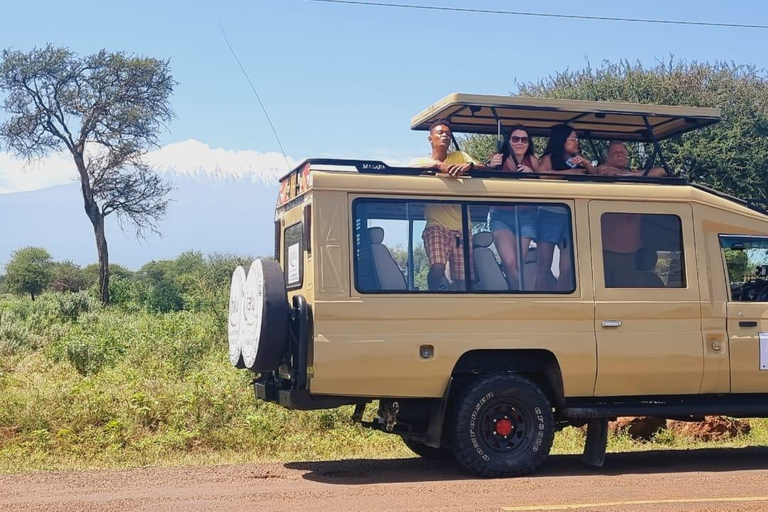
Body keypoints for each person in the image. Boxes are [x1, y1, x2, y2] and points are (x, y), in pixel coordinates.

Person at [410, 119, 485, 290]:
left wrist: (467, 167)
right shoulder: (421, 161)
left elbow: (482, 167)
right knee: (437, 266)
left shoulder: (460, 156)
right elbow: (410, 169)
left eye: (448, 134)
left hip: (462, 228)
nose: (445, 136)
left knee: (464, 280)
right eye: (440, 133)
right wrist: (439, 166)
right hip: (437, 226)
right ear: (430, 139)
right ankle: (433, 295)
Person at [535, 124, 590, 292]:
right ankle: (537, 302)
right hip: (549, 214)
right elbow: (542, 176)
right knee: (544, 264)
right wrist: (569, 173)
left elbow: (596, 174)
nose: (576, 142)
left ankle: (562, 301)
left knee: (567, 267)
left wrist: (586, 163)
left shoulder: (579, 159)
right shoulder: (549, 158)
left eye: (577, 138)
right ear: (562, 140)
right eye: (573, 138)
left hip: (573, 215)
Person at [486, 126, 538, 290]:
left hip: (526, 216)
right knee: (509, 262)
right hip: (501, 215)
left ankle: (516, 294)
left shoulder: (533, 161)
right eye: (515, 139)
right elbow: (482, 171)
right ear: (508, 142)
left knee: (518, 263)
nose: (520, 143)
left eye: (524, 139)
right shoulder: (498, 159)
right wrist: (490, 165)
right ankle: (521, 295)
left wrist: (532, 175)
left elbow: (543, 184)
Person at [597, 142, 666, 177]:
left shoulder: (633, 172)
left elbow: (661, 171)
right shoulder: (602, 169)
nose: (619, 155)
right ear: (607, 157)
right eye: (615, 153)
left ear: (627, 158)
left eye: (622, 153)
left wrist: (633, 174)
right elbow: (604, 170)